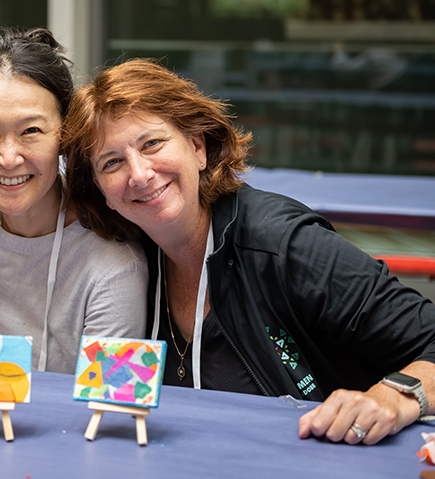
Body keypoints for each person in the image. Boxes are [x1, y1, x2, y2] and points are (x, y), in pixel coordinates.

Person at [61, 58, 435, 445]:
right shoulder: (126, 262)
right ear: (101, 192)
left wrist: (395, 397)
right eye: (112, 162)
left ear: (197, 147)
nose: (138, 174)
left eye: (152, 143)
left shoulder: (282, 243)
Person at [0, 27, 147, 374]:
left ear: (65, 134)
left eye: (31, 131)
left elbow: (111, 407)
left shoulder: (116, 269)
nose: (8, 158)